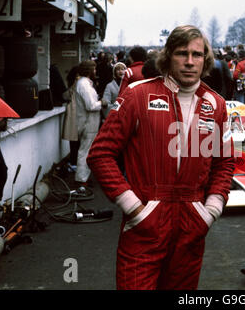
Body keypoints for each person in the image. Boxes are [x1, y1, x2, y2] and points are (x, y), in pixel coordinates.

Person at [86, 25, 235, 290]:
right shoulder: (137, 95)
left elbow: (223, 162)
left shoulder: (216, 104)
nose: (190, 62)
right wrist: (134, 208)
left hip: (192, 226)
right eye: (181, 53)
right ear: (168, 57)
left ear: (206, 60)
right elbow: (100, 154)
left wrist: (210, 211)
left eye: (197, 55)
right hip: (144, 224)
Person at [74, 60, 106, 188]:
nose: (95, 71)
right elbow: (91, 105)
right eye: (94, 69)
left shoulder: (83, 83)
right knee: (85, 151)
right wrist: (102, 103)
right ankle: (81, 180)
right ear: (89, 70)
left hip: (87, 122)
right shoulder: (84, 85)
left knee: (85, 150)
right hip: (88, 123)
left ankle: (83, 177)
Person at [62, 65, 80, 173]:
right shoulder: (77, 85)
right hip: (75, 114)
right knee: (76, 141)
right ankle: (74, 163)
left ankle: (74, 162)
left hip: (75, 115)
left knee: (74, 141)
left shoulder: (73, 84)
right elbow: (66, 96)